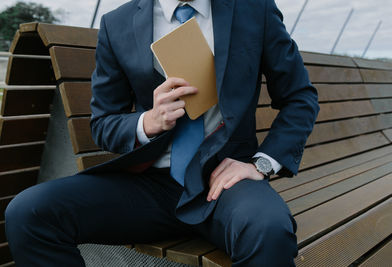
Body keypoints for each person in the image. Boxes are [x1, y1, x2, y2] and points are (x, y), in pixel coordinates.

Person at [5, 0, 319, 266]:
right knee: (30, 213)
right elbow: (103, 124)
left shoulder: (254, 8)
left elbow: (300, 97)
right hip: (149, 185)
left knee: (269, 229)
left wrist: (261, 164)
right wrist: (148, 122)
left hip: (224, 182)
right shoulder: (118, 23)